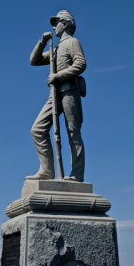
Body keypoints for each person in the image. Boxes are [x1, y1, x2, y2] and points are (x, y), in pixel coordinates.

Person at [26, 10, 86, 182]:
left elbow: (81, 63)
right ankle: (47, 170)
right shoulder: (56, 47)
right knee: (37, 129)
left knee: (73, 133)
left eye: (57, 22)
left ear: (65, 24)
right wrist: (42, 42)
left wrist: (58, 76)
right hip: (55, 94)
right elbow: (34, 61)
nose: (54, 26)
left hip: (69, 91)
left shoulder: (72, 42)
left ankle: (76, 174)